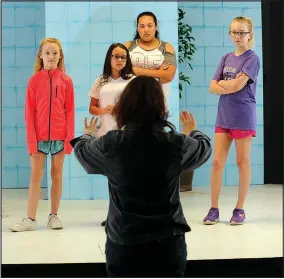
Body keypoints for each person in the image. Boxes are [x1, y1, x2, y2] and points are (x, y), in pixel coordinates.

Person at [70, 76, 211, 277]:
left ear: (125, 105)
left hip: (124, 242)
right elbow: (204, 149)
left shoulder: (112, 144)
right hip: (168, 242)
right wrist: (193, 131)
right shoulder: (176, 143)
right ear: (160, 107)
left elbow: (83, 153)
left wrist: (88, 134)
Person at [9, 38, 75, 232]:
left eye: (55, 53)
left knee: (57, 175)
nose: (51, 56)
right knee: (35, 177)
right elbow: (29, 113)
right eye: (47, 53)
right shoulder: (34, 81)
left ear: (60, 55)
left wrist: (68, 141)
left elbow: (70, 112)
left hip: (59, 137)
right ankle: (30, 219)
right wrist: (31, 142)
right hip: (38, 138)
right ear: (41, 55)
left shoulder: (66, 81)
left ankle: (53, 216)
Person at [203, 17, 260, 226]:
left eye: (242, 32)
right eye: (234, 32)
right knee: (217, 162)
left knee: (241, 162)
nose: (238, 36)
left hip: (243, 116)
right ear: (230, 34)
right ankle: (214, 209)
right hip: (223, 116)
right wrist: (228, 85)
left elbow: (237, 86)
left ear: (250, 34)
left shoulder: (252, 58)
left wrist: (223, 85)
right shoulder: (226, 57)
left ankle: (239, 209)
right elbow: (211, 86)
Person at [88, 43, 135, 227]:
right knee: (112, 176)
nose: (119, 60)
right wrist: (104, 110)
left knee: (127, 176)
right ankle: (113, 215)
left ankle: (128, 214)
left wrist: (121, 110)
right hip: (106, 133)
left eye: (123, 57)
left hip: (127, 134)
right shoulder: (101, 80)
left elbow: (137, 106)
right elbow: (92, 108)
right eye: (116, 56)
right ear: (109, 58)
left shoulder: (132, 80)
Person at [124, 11, 177, 109]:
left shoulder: (167, 47)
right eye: (142, 26)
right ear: (137, 28)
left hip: (158, 105)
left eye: (150, 25)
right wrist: (158, 72)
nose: (146, 30)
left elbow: (169, 76)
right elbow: (121, 71)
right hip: (131, 104)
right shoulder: (128, 46)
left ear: (156, 27)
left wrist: (136, 70)